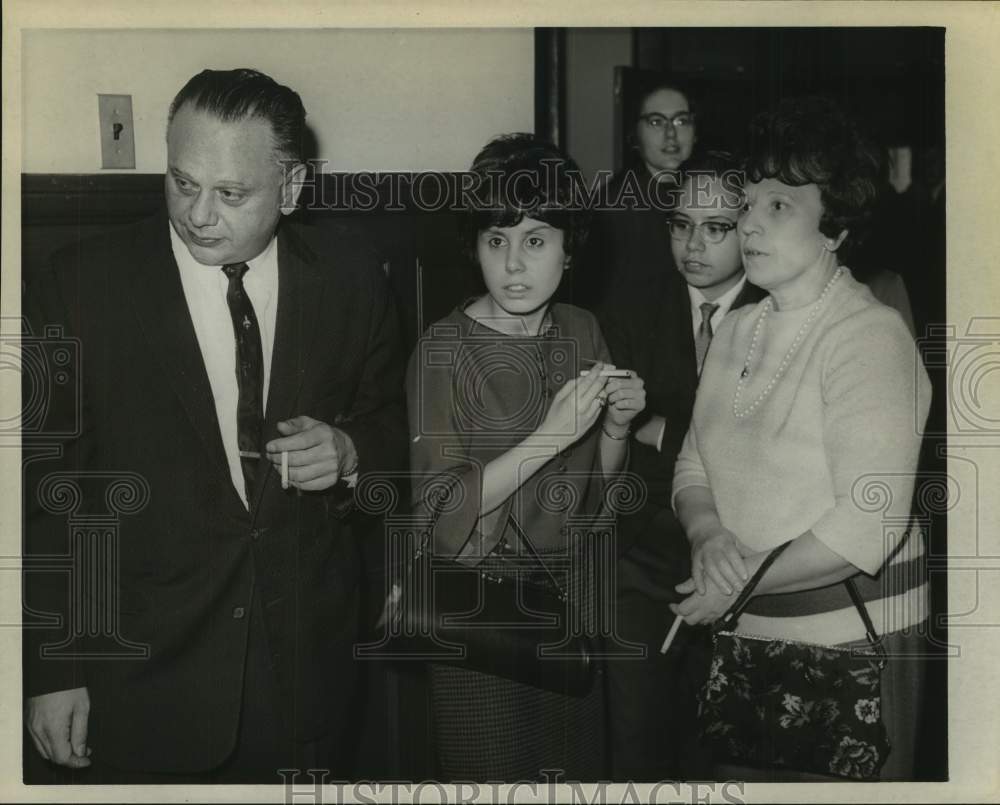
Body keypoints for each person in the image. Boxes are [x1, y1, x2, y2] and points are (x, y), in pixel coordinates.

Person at [22, 68, 406, 783]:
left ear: (292, 188)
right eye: (182, 182)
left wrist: (351, 450)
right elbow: (41, 489)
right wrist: (52, 667)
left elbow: (394, 422)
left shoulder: (351, 273)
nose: (198, 214)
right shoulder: (78, 285)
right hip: (142, 676)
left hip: (304, 673)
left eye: (231, 194)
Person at [670, 96, 932, 781]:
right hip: (747, 636)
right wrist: (708, 536)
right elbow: (692, 464)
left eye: (779, 205)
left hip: (850, 644)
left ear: (835, 226)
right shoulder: (737, 326)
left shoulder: (869, 335)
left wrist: (733, 584)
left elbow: (867, 524)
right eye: (747, 202)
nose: (749, 222)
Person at [405, 133, 646, 781]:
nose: (513, 264)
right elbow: (438, 512)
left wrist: (618, 427)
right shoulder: (443, 348)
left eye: (536, 240)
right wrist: (552, 434)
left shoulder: (582, 329)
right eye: (496, 240)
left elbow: (596, 500)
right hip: (480, 613)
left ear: (570, 249)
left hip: (573, 606)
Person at [599, 151, 765, 781]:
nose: (693, 245)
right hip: (641, 555)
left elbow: (762, 447)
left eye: (715, 227)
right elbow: (611, 421)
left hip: (744, 560)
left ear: (748, 226)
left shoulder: (780, 311)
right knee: (635, 745)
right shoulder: (629, 304)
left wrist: (661, 427)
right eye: (680, 224)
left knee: (722, 756)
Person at [577, 76, 698, 309]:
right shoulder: (613, 206)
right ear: (635, 134)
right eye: (656, 122)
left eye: (681, 121)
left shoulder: (699, 192)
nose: (671, 134)